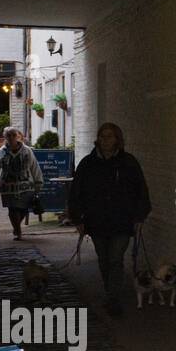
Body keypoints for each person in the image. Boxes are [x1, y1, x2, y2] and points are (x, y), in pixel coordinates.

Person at [67, 122, 151, 316]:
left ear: (117, 139)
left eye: (110, 136)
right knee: (104, 259)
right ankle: (109, 292)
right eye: (103, 136)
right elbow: (76, 192)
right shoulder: (88, 164)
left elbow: (141, 190)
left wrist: (140, 216)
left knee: (115, 258)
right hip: (97, 220)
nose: (106, 140)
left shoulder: (128, 162)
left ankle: (113, 298)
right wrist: (77, 218)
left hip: (121, 220)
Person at [0, 127, 43, 240]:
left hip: (26, 186)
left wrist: (38, 183)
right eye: (8, 135)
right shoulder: (1, 152)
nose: (11, 137)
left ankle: (16, 227)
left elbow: (34, 167)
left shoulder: (27, 151)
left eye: (13, 135)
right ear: (5, 137)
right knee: (12, 209)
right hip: (8, 187)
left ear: (18, 136)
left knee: (24, 209)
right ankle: (18, 230)